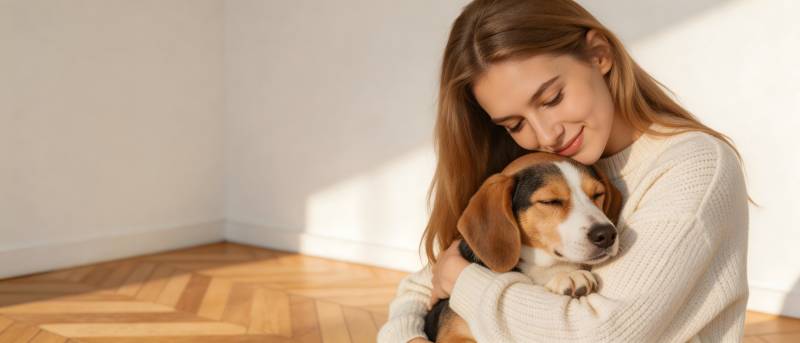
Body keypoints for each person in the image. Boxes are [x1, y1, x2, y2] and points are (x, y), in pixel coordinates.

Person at [377, 0, 756, 342]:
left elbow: (603, 333)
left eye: (552, 98)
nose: (545, 134)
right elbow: (421, 288)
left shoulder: (693, 167)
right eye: (514, 124)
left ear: (599, 55)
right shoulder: (529, 169)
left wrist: (465, 283)